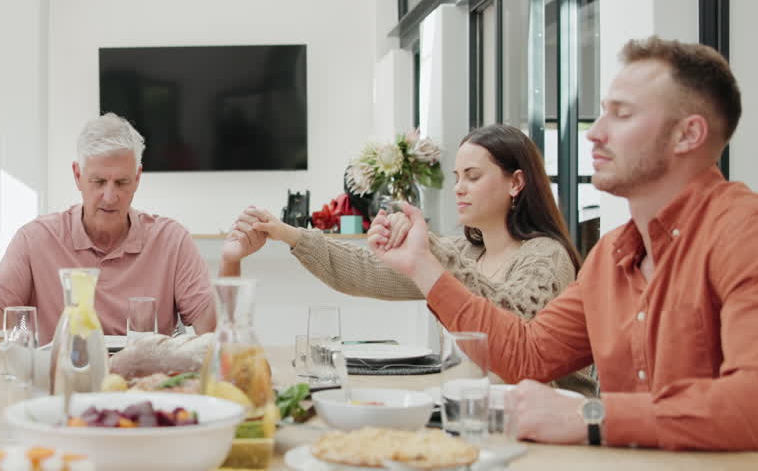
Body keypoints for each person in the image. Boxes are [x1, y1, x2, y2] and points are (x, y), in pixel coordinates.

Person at [370, 36, 758, 459]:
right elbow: (529, 354)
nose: (595, 133)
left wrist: (593, 416)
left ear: (687, 135)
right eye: (602, 115)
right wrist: (421, 266)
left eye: (622, 115)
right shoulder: (611, 256)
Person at [221, 124, 594, 394]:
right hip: (480, 408)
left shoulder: (546, 256)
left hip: (552, 427)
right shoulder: (466, 252)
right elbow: (364, 272)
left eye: (473, 176)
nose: (459, 188)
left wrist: (429, 252)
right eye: (457, 177)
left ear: (516, 183)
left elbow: (513, 338)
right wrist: (288, 233)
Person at [0, 113, 216, 345]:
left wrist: (230, 262)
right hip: (62, 387)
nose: (110, 196)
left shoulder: (171, 240)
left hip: (145, 389)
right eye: (98, 182)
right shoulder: (35, 240)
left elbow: (211, 332)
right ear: (77, 175)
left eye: (122, 182)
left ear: (137, 178)